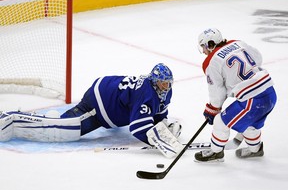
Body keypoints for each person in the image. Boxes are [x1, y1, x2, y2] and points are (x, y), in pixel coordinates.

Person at [0, 63, 182, 158]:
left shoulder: (162, 91)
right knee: (67, 129)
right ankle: (14, 118)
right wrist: (156, 140)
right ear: (154, 80)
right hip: (100, 101)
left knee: (68, 127)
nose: (165, 87)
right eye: (162, 83)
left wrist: (163, 125)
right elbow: (138, 127)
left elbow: (157, 113)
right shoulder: (147, 92)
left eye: (168, 83)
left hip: (106, 90)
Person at [194, 28, 277, 162]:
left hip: (253, 100)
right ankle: (255, 150)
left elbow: (217, 91)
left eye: (204, 46)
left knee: (220, 122)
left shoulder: (211, 62)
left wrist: (212, 109)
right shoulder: (238, 43)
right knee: (250, 123)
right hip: (270, 92)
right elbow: (258, 58)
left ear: (210, 44)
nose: (203, 51)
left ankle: (216, 153)